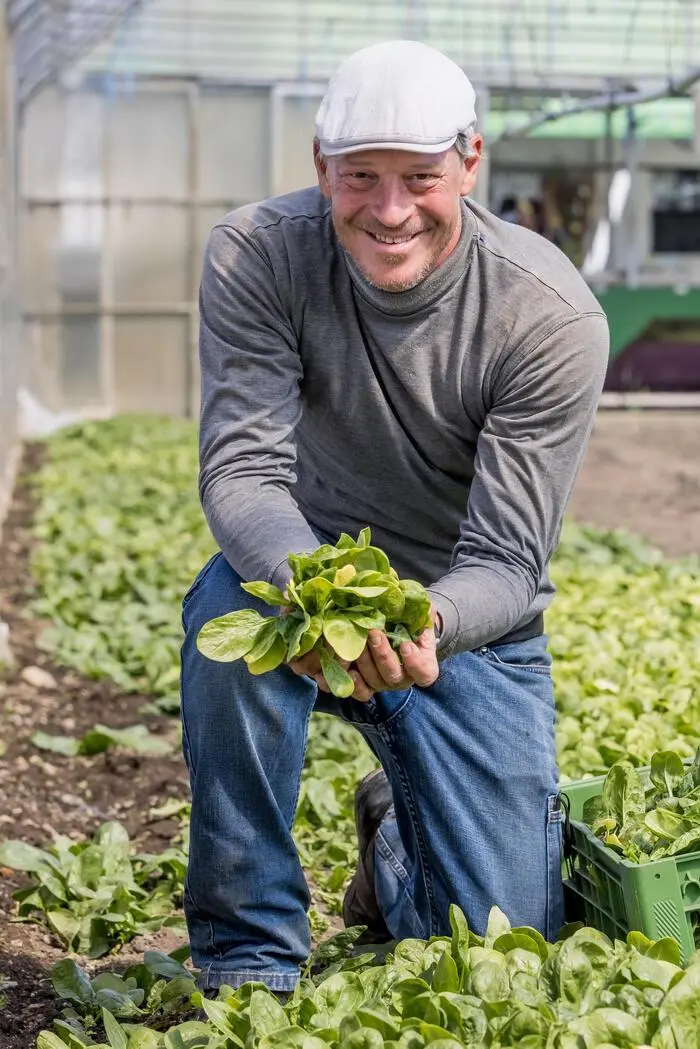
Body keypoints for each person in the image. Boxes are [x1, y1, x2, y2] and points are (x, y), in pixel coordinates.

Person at [180, 39, 609, 994]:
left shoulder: (545, 316)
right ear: (321, 168)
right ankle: (249, 949)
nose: (389, 210)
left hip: (466, 629)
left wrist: (426, 622)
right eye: (361, 177)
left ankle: (393, 842)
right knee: (223, 625)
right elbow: (243, 469)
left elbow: (506, 557)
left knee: (500, 947)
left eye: (420, 177)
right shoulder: (259, 255)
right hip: (299, 583)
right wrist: (312, 589)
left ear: (470, 161)